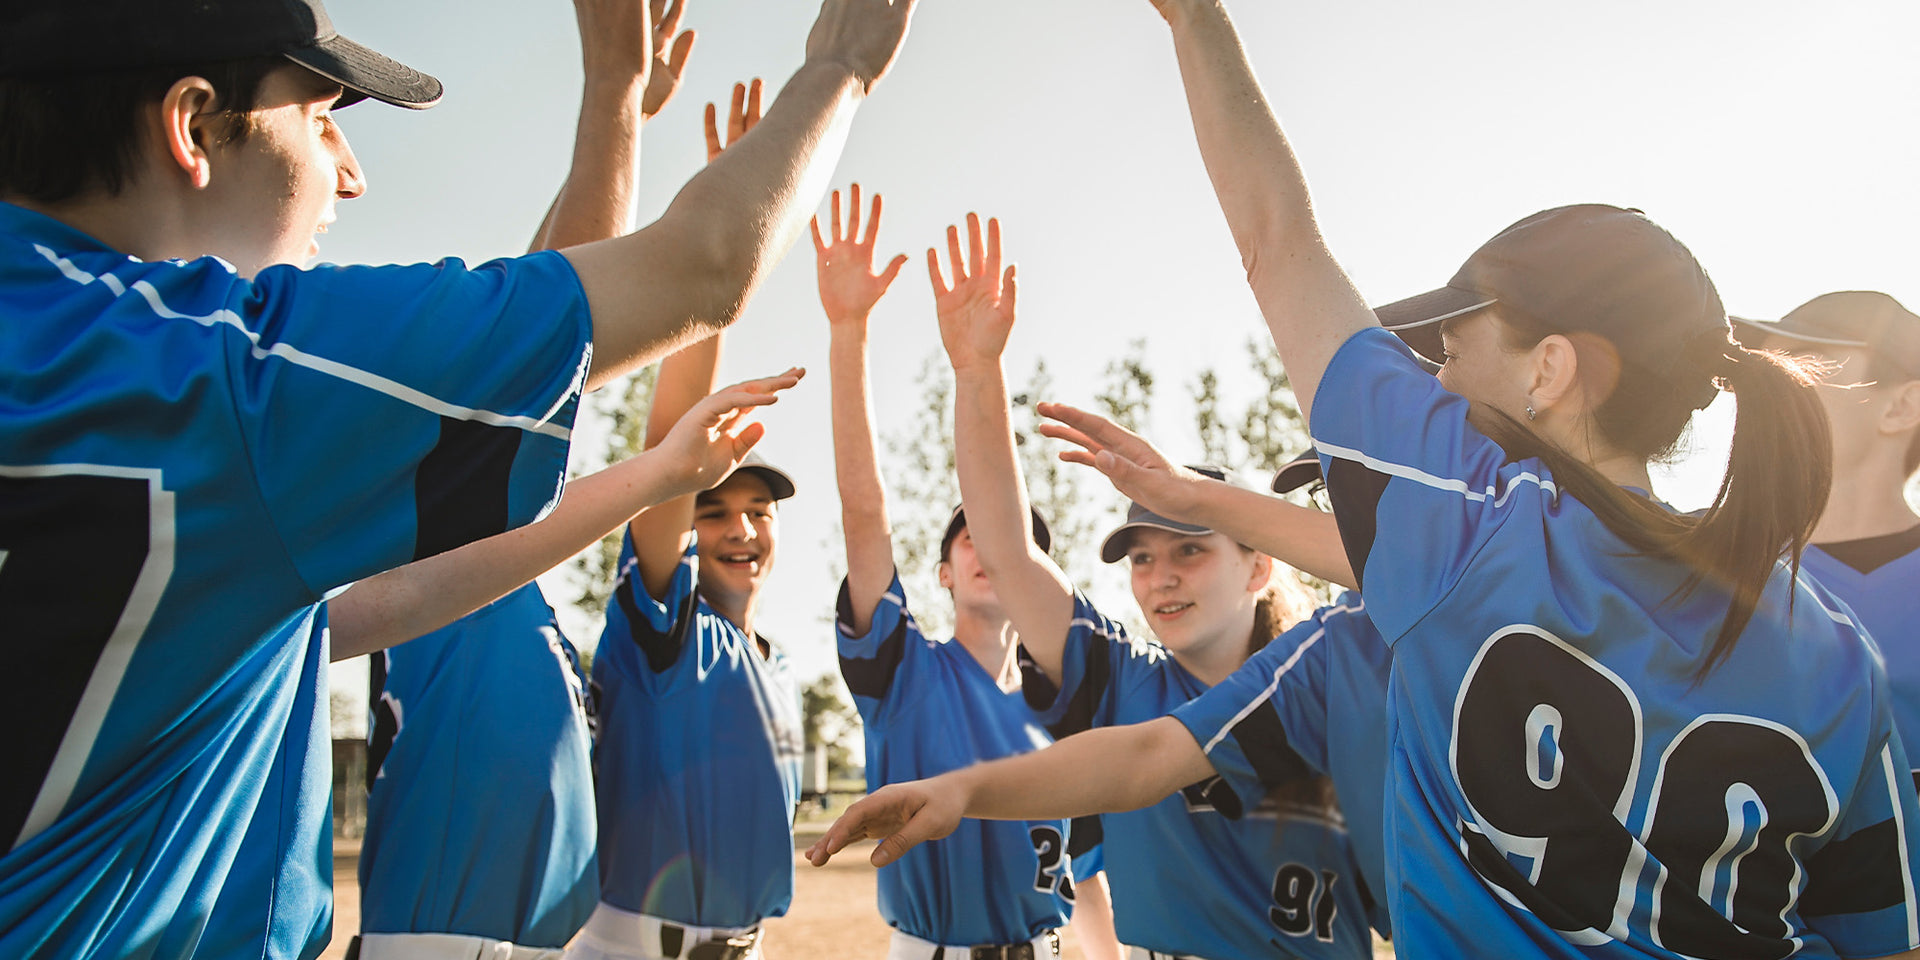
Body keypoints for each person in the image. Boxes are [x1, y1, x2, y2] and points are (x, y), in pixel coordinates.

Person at [815, 2, 1920, 956]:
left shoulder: (1466, 530)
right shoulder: (1831, 650)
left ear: (1551, 370)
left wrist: (1195, 20)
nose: (1436, 372)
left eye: (1458, 338)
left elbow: (1278, 239)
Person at [0, 0, 917, 954]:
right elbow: (700, 266)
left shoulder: (91, 363)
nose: (350, 174)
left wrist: (654, 476)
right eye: (320, 120)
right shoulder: (227, 372)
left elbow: (380, 605)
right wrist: (842, 61)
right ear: (192, 125)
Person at [929, 212, 1372, 960]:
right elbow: (1007, 553)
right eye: (1140, 558)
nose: (1160, 577)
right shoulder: (1121, 681)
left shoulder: (1329, 669)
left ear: (1259, 566)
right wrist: (977, 374)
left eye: (1190, 550)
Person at [350, 3, 696, 955]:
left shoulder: (517, 587)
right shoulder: (433, 556)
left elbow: (534, 322)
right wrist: (613, 106)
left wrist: (624, 125)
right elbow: (546, 333)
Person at [817, 184, 1077, 959]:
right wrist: (849, 330)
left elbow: (1085, 873)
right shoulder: (903, 672)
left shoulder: (1067, 697)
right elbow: (865, 514)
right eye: (968, 539)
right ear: (941, 575)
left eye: (1010, 542)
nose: (989, 550)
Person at [1735, 292, 1920, 786]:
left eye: (1803, 363)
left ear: (1903, 406)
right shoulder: (1718, 581)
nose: (1770, 387)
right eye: (1767, 367)